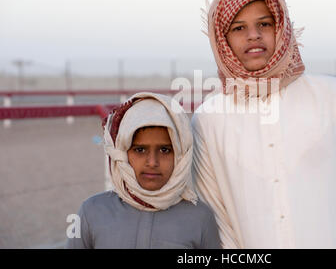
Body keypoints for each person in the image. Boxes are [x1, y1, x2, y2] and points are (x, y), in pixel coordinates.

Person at [191, 0, 336, 248]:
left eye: (264, 24)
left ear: (281, 27)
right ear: (222, 40)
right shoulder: (208, 119)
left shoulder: (334, 96)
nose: (253, 35)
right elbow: (217, 218)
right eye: (238, 28)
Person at [65, 92, 221, 249]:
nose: (152, 162)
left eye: (165, 150)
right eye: (140, 150)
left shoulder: (200, 218)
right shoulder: (92, 212)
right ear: (123, 152)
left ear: (181, 155)